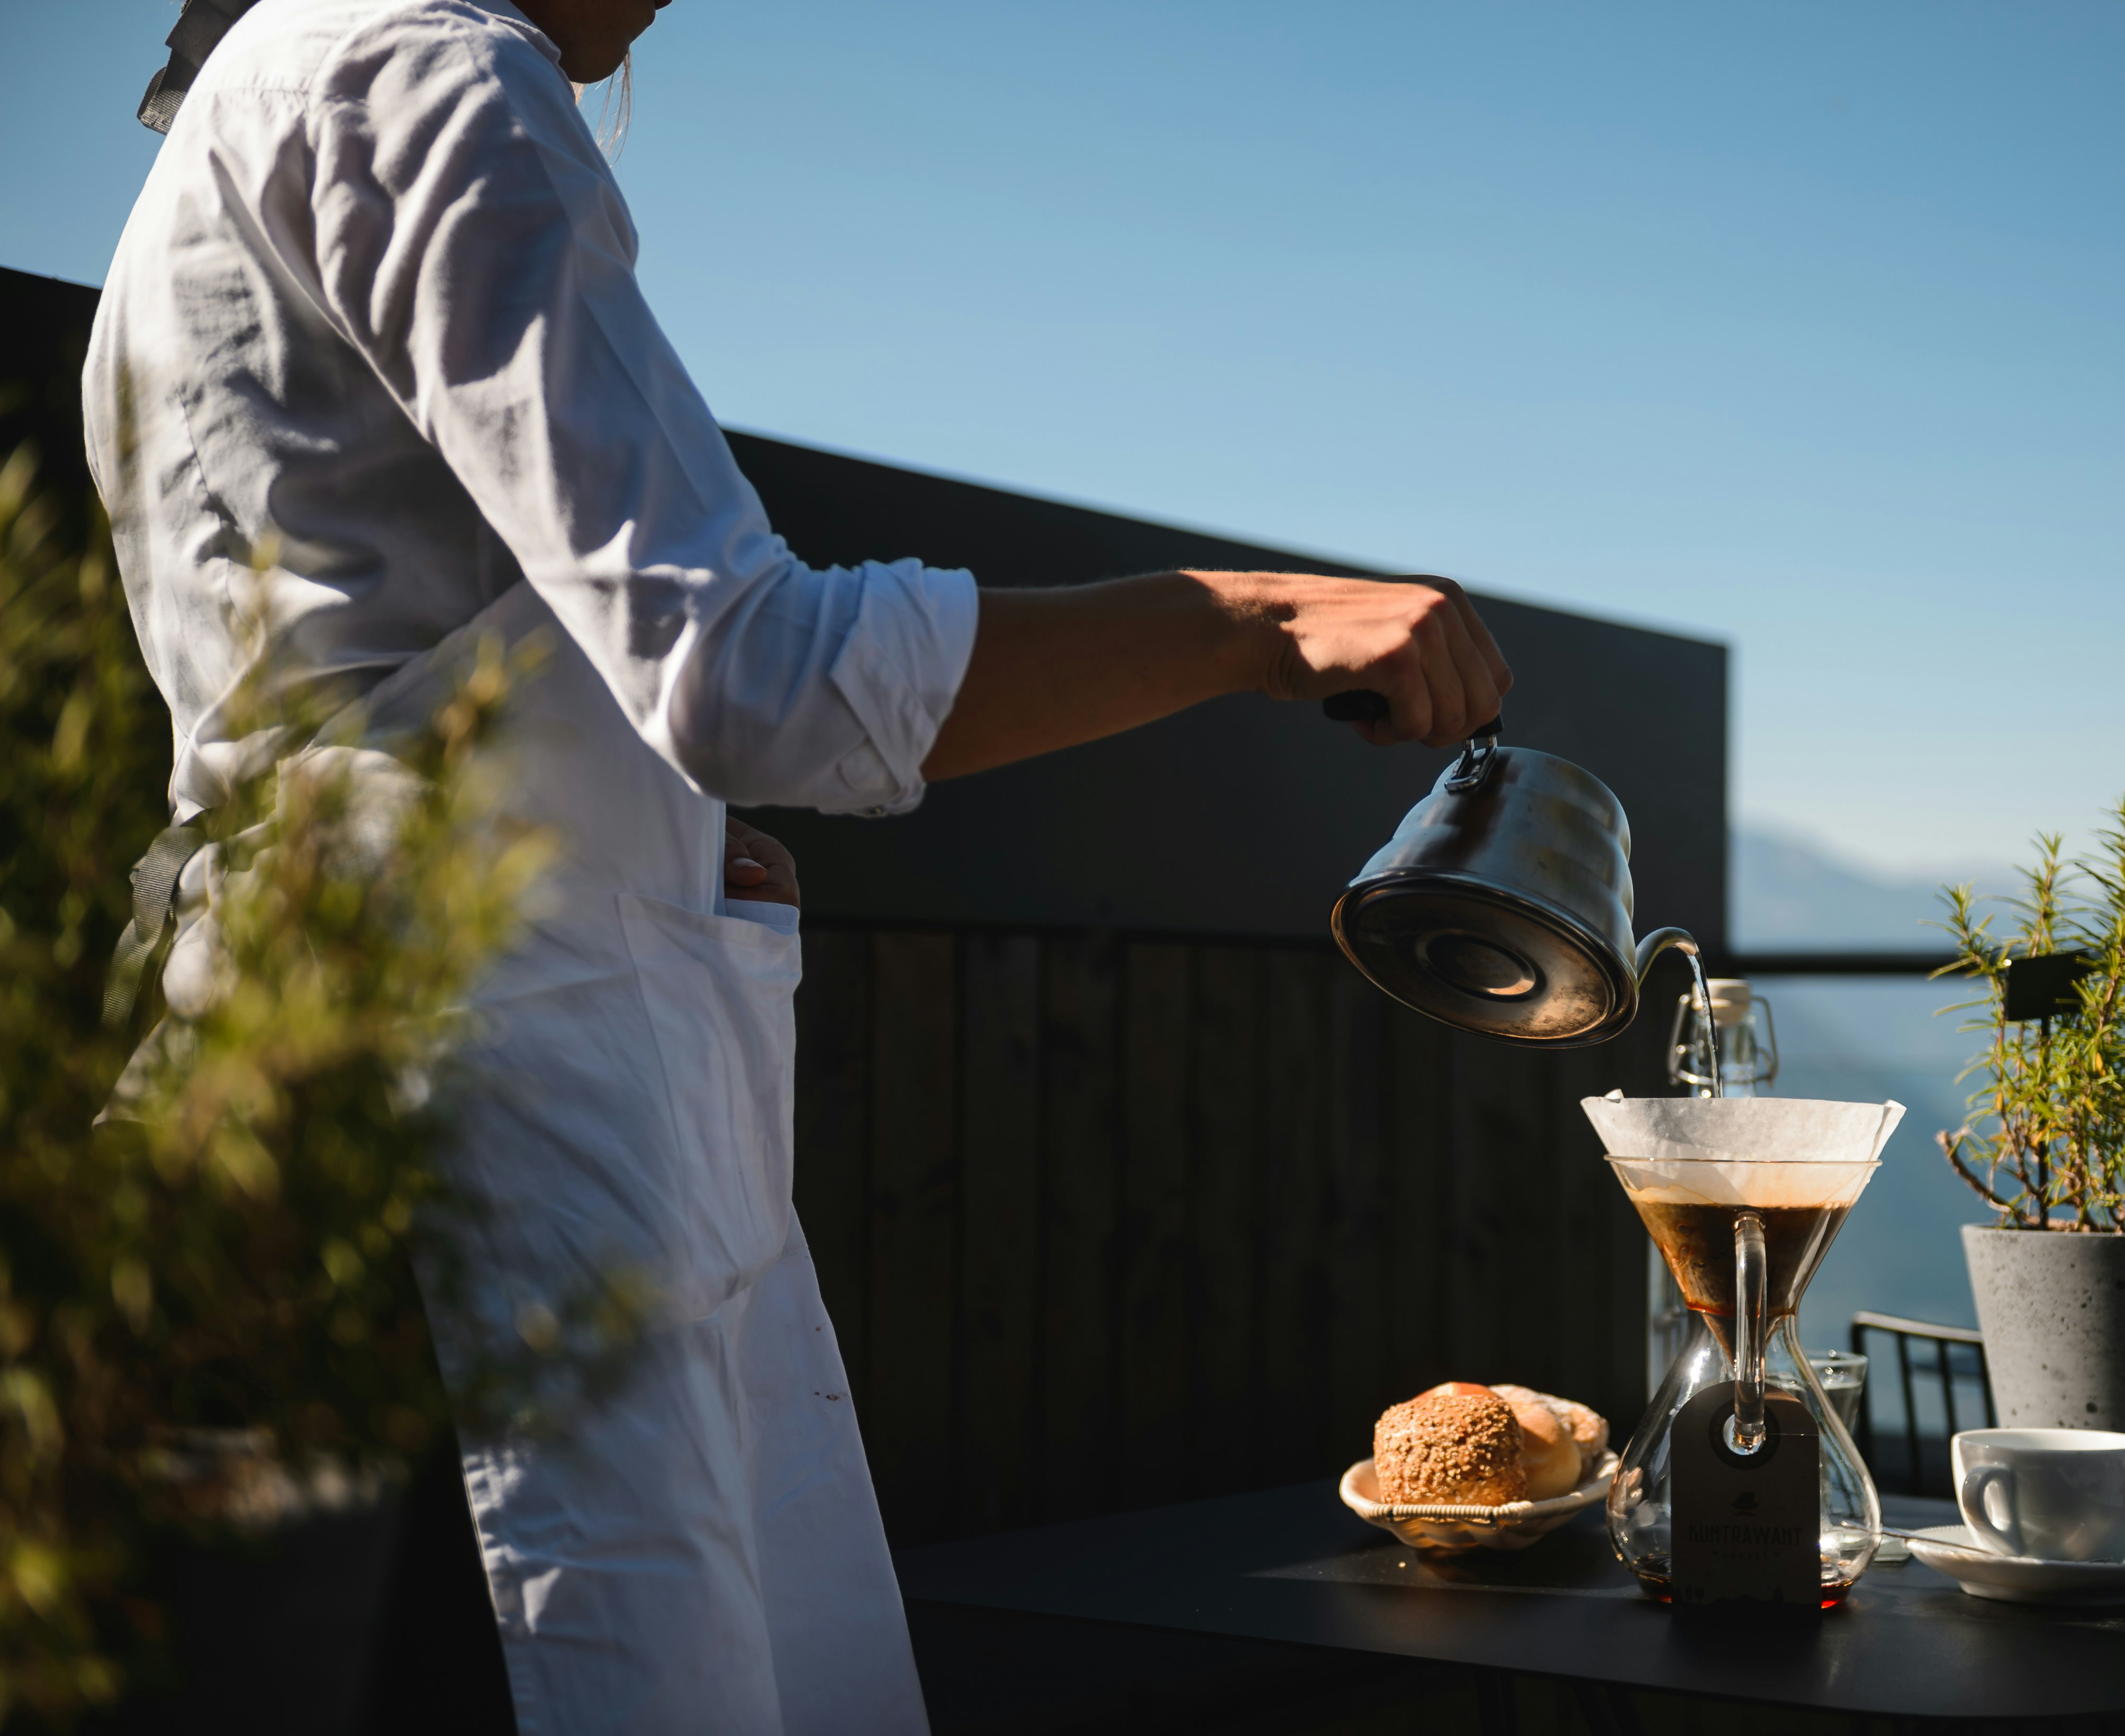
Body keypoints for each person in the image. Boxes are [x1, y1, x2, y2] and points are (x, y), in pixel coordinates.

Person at [83, 1, 1512, 1731]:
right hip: (462, 1145)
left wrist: (667, 836)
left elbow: (373, 667)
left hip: (309, 1080)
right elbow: (742, 670)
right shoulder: (417, 67)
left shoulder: (244, 122)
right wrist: (1253, 622)